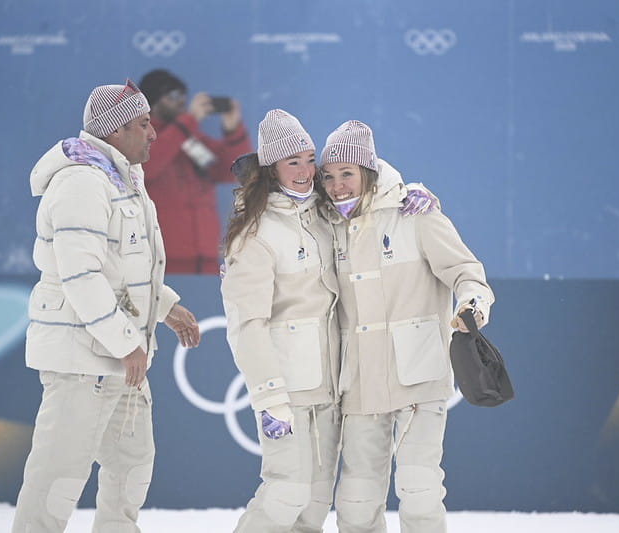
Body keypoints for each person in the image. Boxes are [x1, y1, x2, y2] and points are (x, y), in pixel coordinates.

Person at [12, 79, 201, 533]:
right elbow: (82, 277)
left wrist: (166, 306)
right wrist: (125, 343)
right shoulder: (81, 181)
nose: (154, 133)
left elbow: (126, 266)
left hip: (118, 357)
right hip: (85, 358)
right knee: (58, 477)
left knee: (132, 466)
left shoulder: (122, 176)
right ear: (115, 131)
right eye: (143, 123)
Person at [319, 120, 495, 533]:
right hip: (359, 379)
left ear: (368, 170)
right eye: (328, 176)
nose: (337, 185)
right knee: (357, 499)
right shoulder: (325, 224)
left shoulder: (415, 213)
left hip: (419, 373)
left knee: (419, 488)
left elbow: (467, 271)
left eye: (347, 173)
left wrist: (473, 305)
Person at [221, 109, 342, 532]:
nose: (307, 171)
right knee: (286, 491)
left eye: (311, 159)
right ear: (272, 168)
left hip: (331, 385)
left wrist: (409, 195)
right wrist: (270, 397)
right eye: (294, 161)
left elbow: (368, 177)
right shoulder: (254, 232)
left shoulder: (325, 218)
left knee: (314, 502)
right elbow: (246, 324)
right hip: (287, 389)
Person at [139, 69, 252, 274]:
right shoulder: (140, 138)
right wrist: (188, 121)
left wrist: (233, 129)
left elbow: (230, 171)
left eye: (183, 96)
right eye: (173, 96)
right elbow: (149, 165)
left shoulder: (190, 138)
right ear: (152, 102)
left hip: (205, 260)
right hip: (161, 262)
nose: (181, 102)